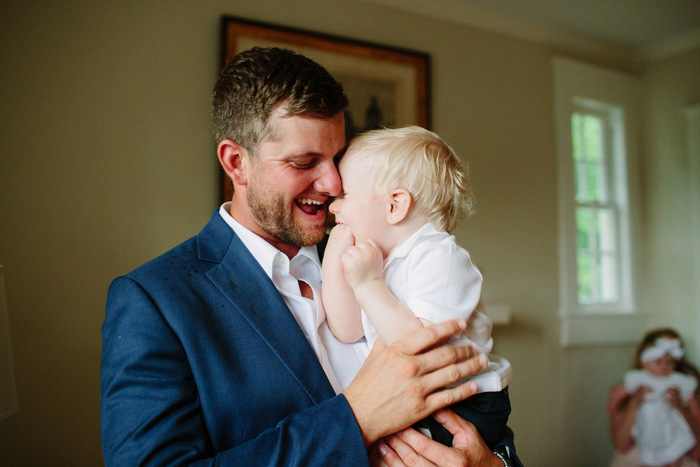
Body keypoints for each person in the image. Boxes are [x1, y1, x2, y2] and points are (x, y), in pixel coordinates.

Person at [100, 46, 520, 466]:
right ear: (236, 163)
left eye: (337, 158)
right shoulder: (154, 302)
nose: (334, 182)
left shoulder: (379, 252)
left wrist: (493, 466)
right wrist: (356, 418)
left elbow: (488, 426)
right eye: (305, 162)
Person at [322, 126, 513, 450]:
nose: (333, 207)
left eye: (345, 196)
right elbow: (347, 330)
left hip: (467, 403)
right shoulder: (378, 259)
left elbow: (421, 353)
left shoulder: (440, 257)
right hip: (419, 394)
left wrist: (368, 284)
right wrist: (334, 262)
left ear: (395, 206)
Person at [608, 328, 700, 467]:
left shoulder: (684, 386)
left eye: (669, 358)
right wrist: (635, 403)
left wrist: (680, 408)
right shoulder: (631, 387)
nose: (664, 364)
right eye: (659, 359)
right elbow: (622, 445)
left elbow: (696, 452)